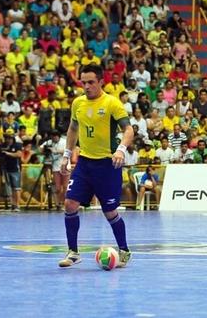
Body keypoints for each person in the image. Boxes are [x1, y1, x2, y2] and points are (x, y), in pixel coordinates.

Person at [59, 64, 134, 269]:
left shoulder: (112, 103)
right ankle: (73, 252)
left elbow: (128, 130)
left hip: (108, 165)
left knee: (109, 211)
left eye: (91, 82)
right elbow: (73, 129)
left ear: (101, 81)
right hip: (84, 163)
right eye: (83, 82)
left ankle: (124, 250)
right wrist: (67, 154)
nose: (87, 86)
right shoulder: (78, 103)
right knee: (70, 204)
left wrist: (121, 149)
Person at [39, 130, 67, 210]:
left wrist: (56, 151)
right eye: (52, 137)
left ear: (58, 136)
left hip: (65, 166)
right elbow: (40, 149)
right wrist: (45, 150)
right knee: (57, 188)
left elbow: (68, 151)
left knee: (65, 187)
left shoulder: (64, 142)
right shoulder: (49, 142)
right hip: (55, 167)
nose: (54, 138)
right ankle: (58, 204)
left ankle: (64, 203)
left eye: (55, 136)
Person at [0, 129, 23, 212]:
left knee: (16, 188)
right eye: (6, 138)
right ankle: (12, 205)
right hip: (6, 169)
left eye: (9, 138)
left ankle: (18, 205)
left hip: (15, 169)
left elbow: (19, 154)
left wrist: (8, 153)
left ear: (12, 138)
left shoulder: (17, 145)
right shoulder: (2, 145)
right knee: (10, 188)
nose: (8, 140)